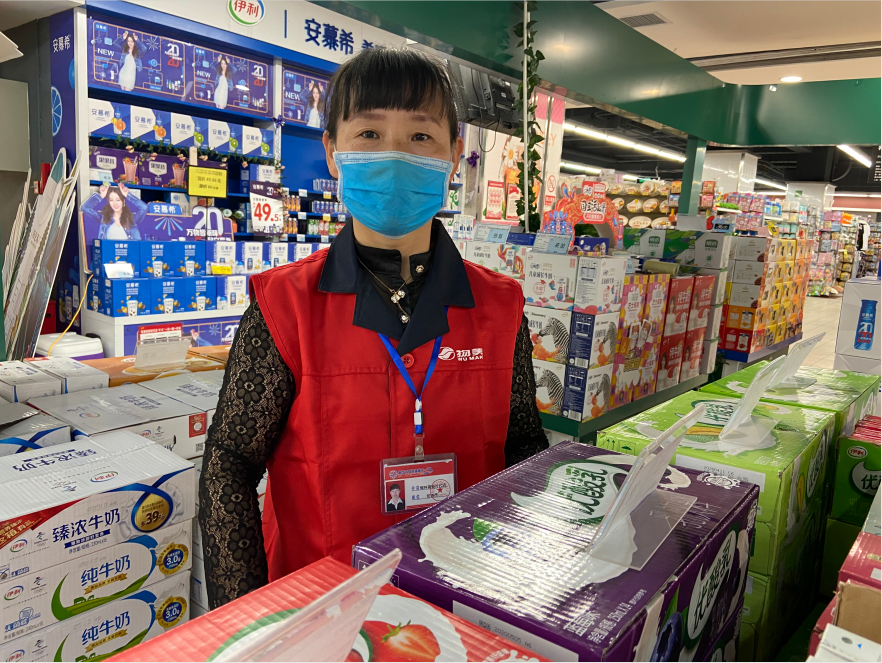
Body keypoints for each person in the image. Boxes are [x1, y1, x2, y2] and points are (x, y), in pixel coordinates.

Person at [198, 47, 548, 609]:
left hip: (464, 600)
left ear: (452, 155)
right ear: (332, 153)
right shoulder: (285, 304)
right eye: (368, 133)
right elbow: (230, 465)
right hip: (319, 603)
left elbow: (524, 446)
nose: (395, 155)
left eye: (420, 136)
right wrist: (246, 619)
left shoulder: (500, 306)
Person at [81, 183, 146, 241]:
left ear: (123, 202)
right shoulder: (103, 218)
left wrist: (127, 195)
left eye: (118, 200)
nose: (115, 203)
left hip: (129, 250)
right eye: (111, 200)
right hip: (108, 250)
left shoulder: (132, 219)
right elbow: (85, 208)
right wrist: (101, 195)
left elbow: (144, 208)